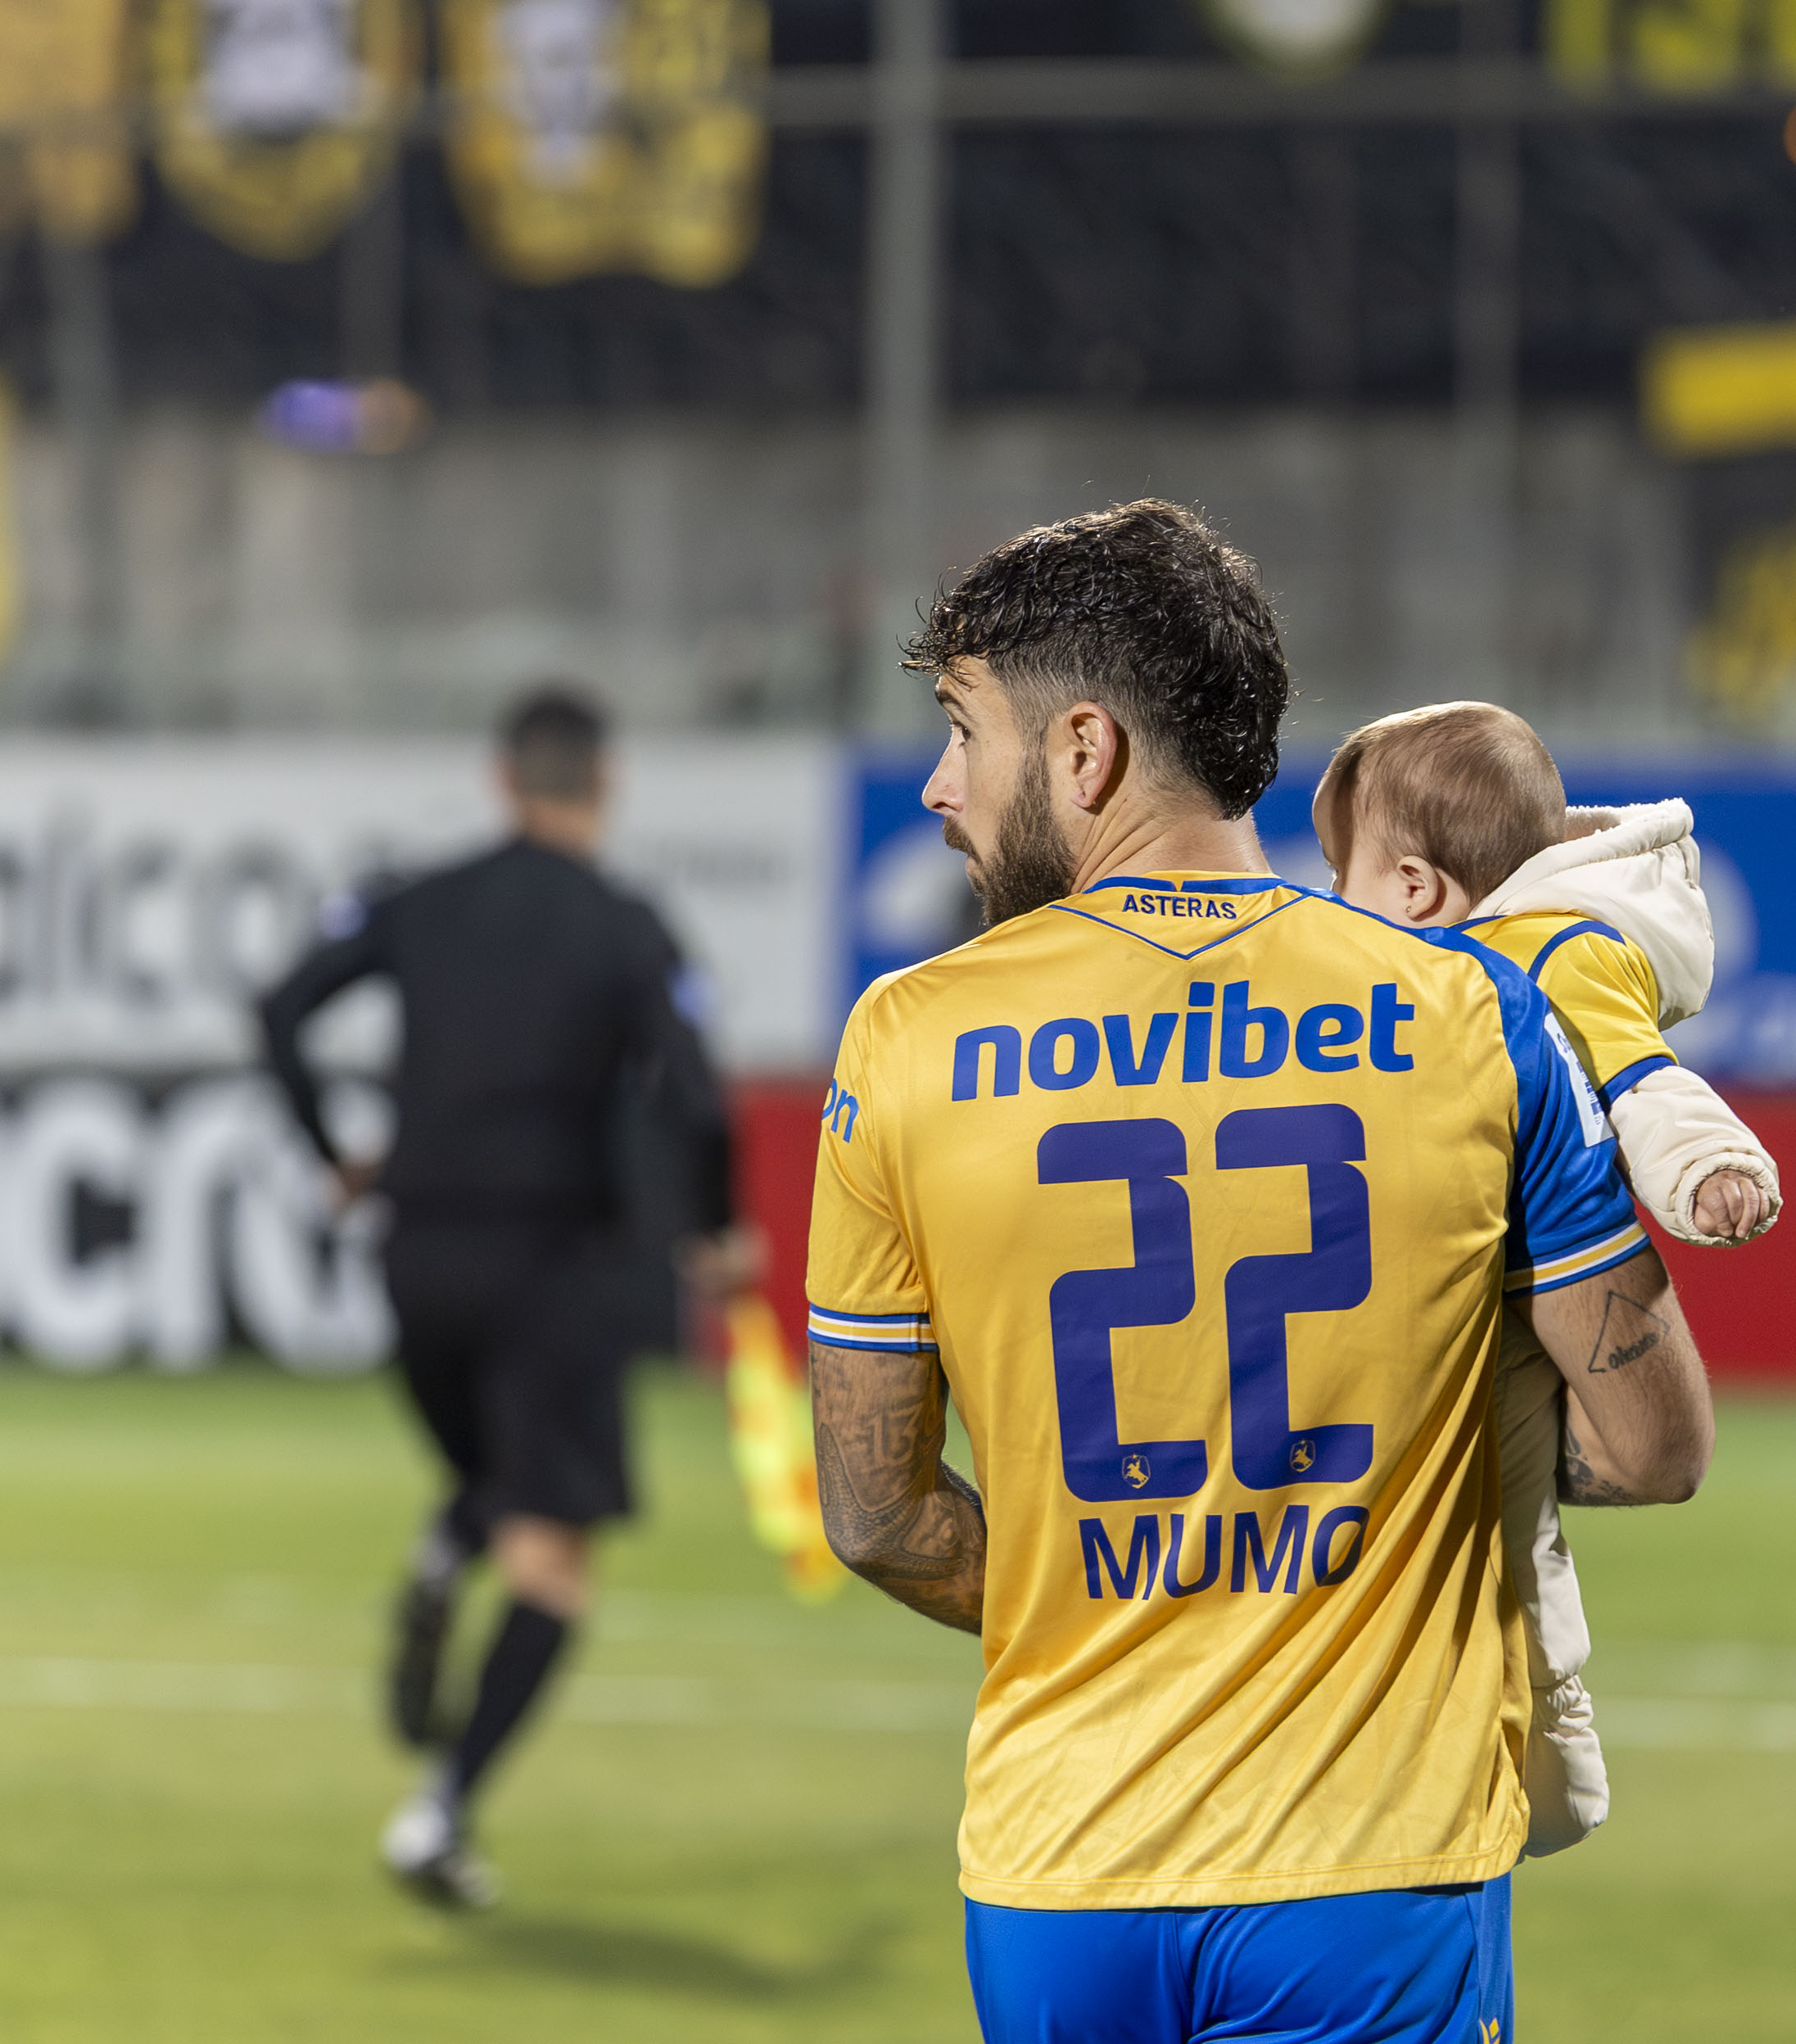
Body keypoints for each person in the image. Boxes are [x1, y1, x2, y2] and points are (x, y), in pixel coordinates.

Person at [803, 500, 1718, 2044]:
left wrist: (1125, 1602)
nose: (940, 788)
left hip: (1061, 1875)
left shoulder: (903, 1042)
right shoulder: (1474, 1015)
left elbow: (876, 1514)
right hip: (1376, 1868)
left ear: (1084, 751)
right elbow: (1653, 1447)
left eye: (963, 732)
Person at [257, 685, 749, 1910]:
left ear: (503, 780)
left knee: (496, 1476)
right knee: (552, 1562)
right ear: (606, 783)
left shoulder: (418, 899)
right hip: (550, 1267)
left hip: (416, 1261)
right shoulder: (625, 925)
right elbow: (696, 1098)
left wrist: (334, 1153)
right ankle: (438, 1815)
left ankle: (445, 1543)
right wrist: (715, 1230)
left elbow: (279, 1009)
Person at [1313, 699, 1783, 1857]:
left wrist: (1709, 1166)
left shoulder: (1539, 962)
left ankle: (1542, 1767)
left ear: (1415, 889)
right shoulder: (1471, 978)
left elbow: (1646, 1079)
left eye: (1344, 877)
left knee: (1516, 1563)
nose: (1329, 903)